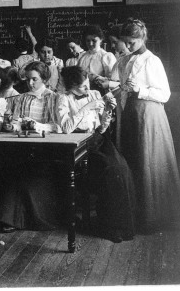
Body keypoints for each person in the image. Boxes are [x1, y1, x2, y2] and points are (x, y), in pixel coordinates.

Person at [118, 18, 180, 232]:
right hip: (130, 114)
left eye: (132, 43)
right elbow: (124, 88)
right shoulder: (124, 61)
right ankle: (135, 215)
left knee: (149, 163)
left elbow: (165, 94)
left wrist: (140, 91)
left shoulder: (152, 60)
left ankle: (152, 217)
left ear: (142, 38)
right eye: (125, 42)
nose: (128, 47)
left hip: (149, 116)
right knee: (133, 161)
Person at [57, 66, 136, 242]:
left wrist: (108, 111)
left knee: (121, 169)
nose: (87, 90)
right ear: (70, 87)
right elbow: (66, 128)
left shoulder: (93, 94)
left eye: (87, 85)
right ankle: (109, 227)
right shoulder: (63, 99)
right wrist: (87, 107)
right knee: (110, 170)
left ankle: (122, 226)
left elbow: (101, 127)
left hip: (98, 139)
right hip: (78, 143)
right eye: (82, 87)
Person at [0, 61, 62, 232]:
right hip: (23, 145)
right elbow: (16, 121)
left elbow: (56, 126)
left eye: (35, 80)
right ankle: (11, 218)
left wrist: (37, 126)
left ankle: (24, 219)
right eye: (28, 80)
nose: (30, 83)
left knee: (28, 174)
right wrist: (12, 126)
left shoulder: (54, 97)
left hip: (46, 147)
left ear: (45, 79)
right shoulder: (21, 98)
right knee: (12, 170)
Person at [95, 25, 131, 150]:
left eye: (115, 42)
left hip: (126, 103)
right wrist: (108, 81)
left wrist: (109, 84)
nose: (113, 46)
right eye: (111, 43)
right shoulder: (120, 59)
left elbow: (128, 85)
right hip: (117, 103)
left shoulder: (132, 60)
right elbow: (118, 81)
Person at [77, 25, 116, 94]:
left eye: (94, 41)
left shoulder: (106, 56)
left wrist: (95, 78)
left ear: (101, 40)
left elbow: (112, 80)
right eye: (88, 41)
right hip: (83, 92)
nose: (90, 43)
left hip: (101, 92)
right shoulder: (82, 56)